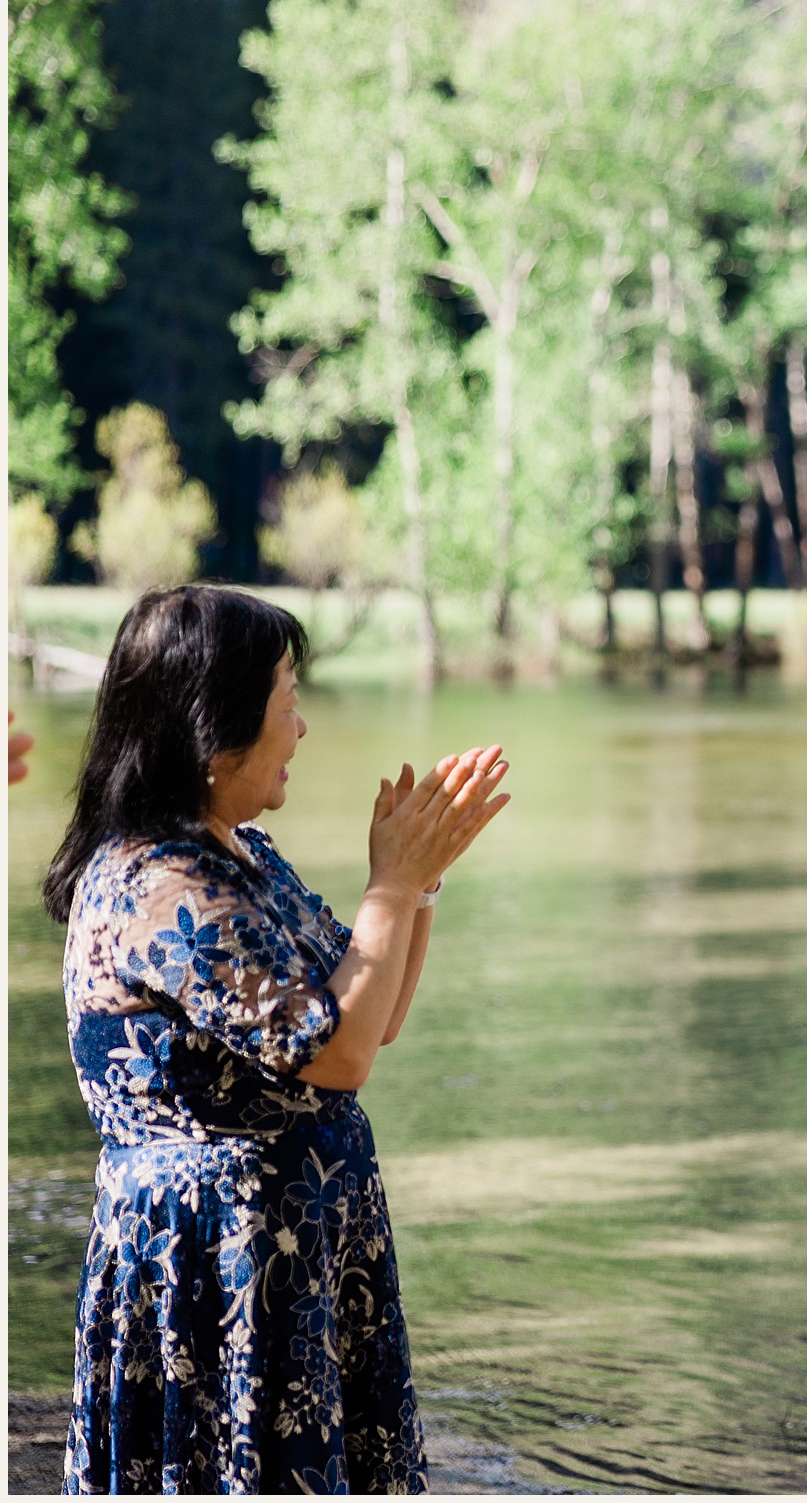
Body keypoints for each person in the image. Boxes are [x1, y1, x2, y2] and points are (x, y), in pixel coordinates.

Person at [43, 586, 511, 1494]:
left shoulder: (241, 850)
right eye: (287, 698)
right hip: (216, 1269)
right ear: (215, 730)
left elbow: (373, 1022)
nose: (300, 727)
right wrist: (388, 886)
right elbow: (331, 1051)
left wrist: (416, 887)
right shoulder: (158, 882)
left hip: (291, 1253)